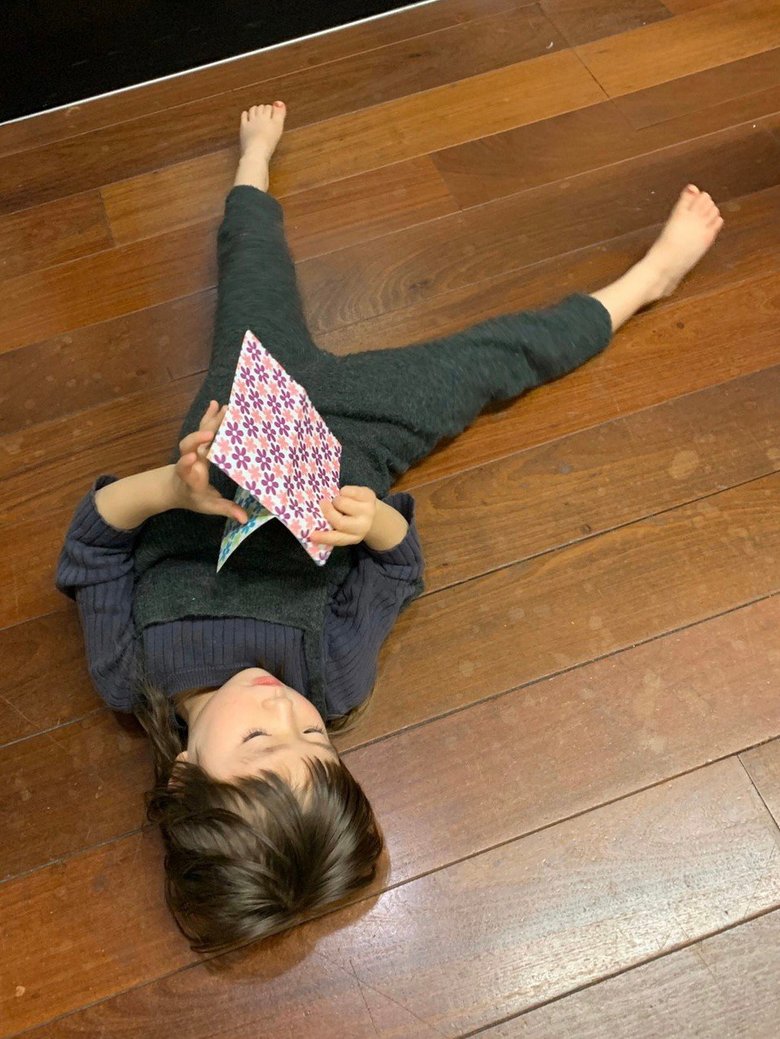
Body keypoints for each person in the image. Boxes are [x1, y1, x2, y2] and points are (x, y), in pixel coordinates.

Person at [56, 101, 724, 954]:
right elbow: (398, 569)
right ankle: (644, 283)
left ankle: (252, 164)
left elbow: (91, 545)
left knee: (250, 269)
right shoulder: (331, 676)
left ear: (183, 775)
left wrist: (168, 491)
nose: (288, 708)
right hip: (365, 436)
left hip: (237, 415)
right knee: (499, 359)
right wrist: (372, 522)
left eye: (261, 737)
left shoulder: (132, 672)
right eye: (315, 737)